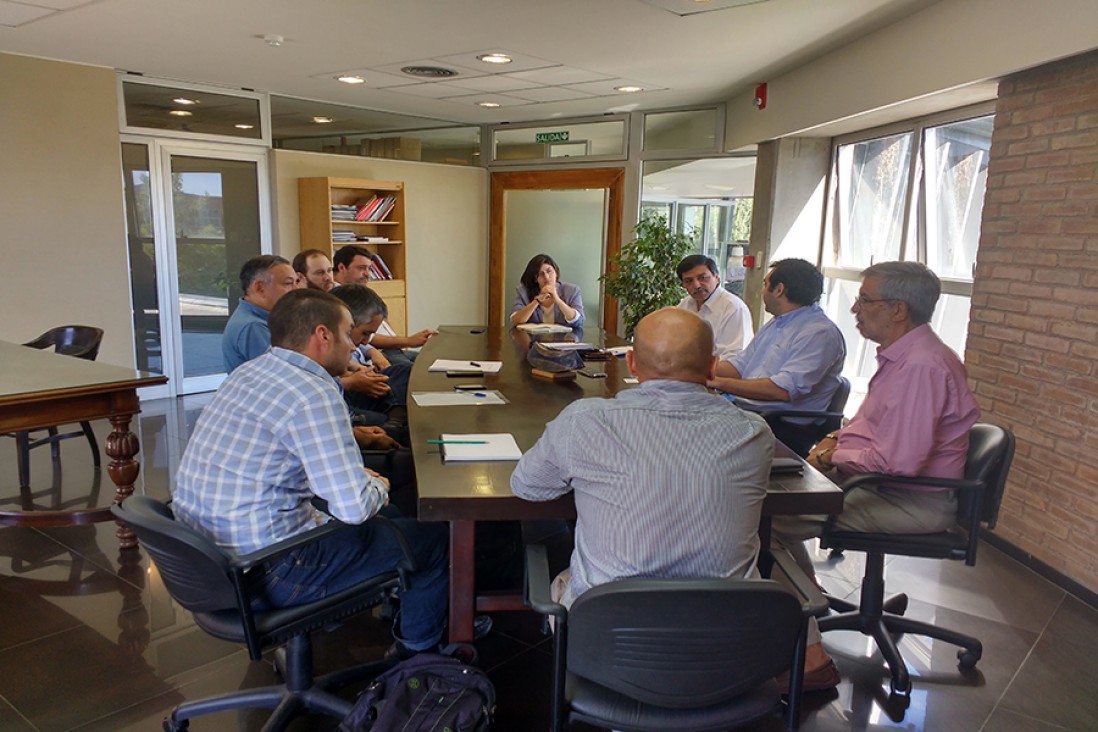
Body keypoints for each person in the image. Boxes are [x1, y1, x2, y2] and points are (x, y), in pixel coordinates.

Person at [174, 288, 449, 657]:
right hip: (270, 571)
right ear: (322, 335)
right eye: (349, 332)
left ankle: (400, 594)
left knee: (392, 516)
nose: (354, 345)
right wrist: (377, 484)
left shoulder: (249, 374)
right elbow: (354, 508)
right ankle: (419, 654)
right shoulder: (312, 393)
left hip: (208, 564)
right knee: (432, 539)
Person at [773, 260, 981, 691]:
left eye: (865, 300)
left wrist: (837, 452)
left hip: (907, 501)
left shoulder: (921, 367)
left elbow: (899, 463)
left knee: (762, 522)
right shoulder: (906, 356)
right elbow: (874, 432)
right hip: (883, 488)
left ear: (898, 309)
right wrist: (836, 442)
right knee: (779, 507)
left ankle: (811, 658)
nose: (855, 308)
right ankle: (807, 596)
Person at [511, 307, 773, 609]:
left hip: (609, 634)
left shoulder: (583, 421)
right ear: (713, 367)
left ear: (631, 363)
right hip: (731, 634)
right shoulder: (754, 433)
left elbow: (526, 486)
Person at [708, 258, 846, 456]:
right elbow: (740, 365)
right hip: (753, 414)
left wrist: (717, 383)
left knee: (700, 440)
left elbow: (781, 390)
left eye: (765, 284)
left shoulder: (819, 333)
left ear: (779, 290)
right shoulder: (778, 322)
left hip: (781, 425)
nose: (762, 291)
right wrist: (695, 367)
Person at [332, 244, 436, 361]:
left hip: (394, 349)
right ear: (341, 268)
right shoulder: (337, 300)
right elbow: (367, 338)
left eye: (369, 269)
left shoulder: (361, 292)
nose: (367, 274)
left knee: (432, 360)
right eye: (361, 268)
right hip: (381, 352)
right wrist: (408, 341)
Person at [221, 255, 297, 373]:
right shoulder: (253, 327)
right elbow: (284, 374)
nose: (296, 289)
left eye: (296, 282)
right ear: (260, 288)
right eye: (288, 283)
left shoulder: (265, 318)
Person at [676, 254, 753, 361]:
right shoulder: (685, 305)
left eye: (702, 278)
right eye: (689, 281)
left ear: (716, 277)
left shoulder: (733, 308)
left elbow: (734, 358)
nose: (696, 285)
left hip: (718, 374)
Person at [510, 253, 585, 327]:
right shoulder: (523, 292)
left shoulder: (572, 290)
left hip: (564, 338)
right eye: (541, 274)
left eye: (549, 271)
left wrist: (557, 300)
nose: (546, 276)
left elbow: (579, 321)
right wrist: (537, 301)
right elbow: (515, 321)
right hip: (533, 338)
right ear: (535, 279)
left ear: (556, 273)